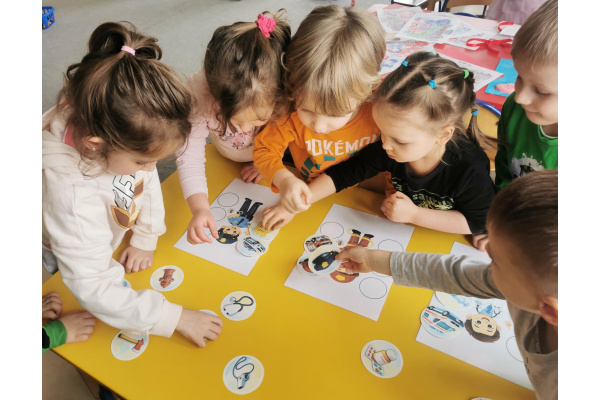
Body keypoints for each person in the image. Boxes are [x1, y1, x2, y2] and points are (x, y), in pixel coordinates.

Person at [42, 22, 223, 347]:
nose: (151, 170)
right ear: (96, 146)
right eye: (142, 162)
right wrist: (174, 317)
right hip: (59, 245)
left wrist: (146, 236)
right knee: (60, 281)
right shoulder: (71, 199)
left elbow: (142, 181)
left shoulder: (120, 133)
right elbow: (94, 284)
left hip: (100, 228)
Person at [336, 170, 558, 399]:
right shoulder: (533, 287)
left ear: (550, 311)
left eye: (495, 260)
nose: (486, 250)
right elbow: (455, 273)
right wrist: (372, 259)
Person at [263, 51, 496, 236]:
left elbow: (479, 222)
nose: (384, 145)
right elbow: (343, 174)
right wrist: (293, 206)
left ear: (443, 135)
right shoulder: (389, 149)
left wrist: (415, 215)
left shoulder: (470, 170)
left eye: (399, 140)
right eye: (382, 133)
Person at [253, 4, 386, 217]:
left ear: (367, 91)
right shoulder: (289, 110)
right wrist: (284, 179)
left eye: (334, 114)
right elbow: (265, 149)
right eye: (306, 109)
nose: (318, 125)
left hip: (361, 198)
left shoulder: (380, 107)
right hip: (315, 197)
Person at [175, 10, 291, 246]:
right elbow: (189, 154)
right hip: (225, 159)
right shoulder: (199, 93)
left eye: (258, 121)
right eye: (235, 121)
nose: (244, 129)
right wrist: (200, 208)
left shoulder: (284, 91)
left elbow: (290, 133)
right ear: (215, 97)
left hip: (273, 158)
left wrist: (267, 162)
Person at [474, 0, 558, 251]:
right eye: (520, 77)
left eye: (541, 91)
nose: (520, 97)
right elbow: (504, 168)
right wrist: (502, 219)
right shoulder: (515, 107)